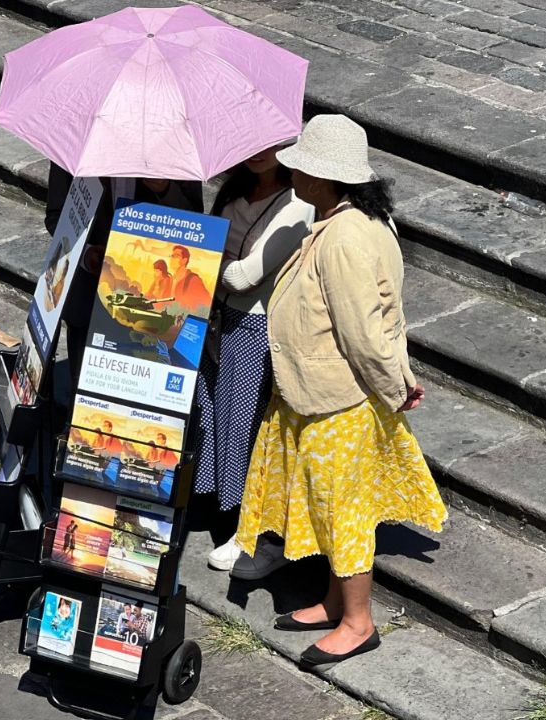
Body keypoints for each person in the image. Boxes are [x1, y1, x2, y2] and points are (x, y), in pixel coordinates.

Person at [234, 115, 446, 669]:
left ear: (327, 178)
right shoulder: (335, 221)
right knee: (328, 506)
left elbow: (364, 330)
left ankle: (358, 622)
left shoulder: (346, 237)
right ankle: (333, 601)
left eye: (302, 165)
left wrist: (394, 386)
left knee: (343, 510)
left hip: (339, 400)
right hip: (316, 393)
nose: (291, 171)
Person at [192, 144, 314, 575]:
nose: (260, 154)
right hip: (214, 318)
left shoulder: (297, 204)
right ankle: (216, 508)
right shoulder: (232, 191)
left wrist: (199, 258)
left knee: (244, 427)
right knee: (212, 416)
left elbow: (245, 277)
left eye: (273, 146)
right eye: (253, 144)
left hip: (254, 326)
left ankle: (247, 529)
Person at [45, 166, 202, 383]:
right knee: (84, 395)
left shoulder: (175, 148)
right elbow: (56, 216)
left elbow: (196, 223)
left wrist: (165, 189)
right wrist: (87, 253)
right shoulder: (75, 141)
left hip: (147, 314)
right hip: (89, 301)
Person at [168, 245, 211, 314]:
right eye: (172, 256)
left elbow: (207, 303)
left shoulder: (193, 280)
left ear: (184, 260)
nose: (172, 259)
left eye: (176, 256)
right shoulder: (171, 279)